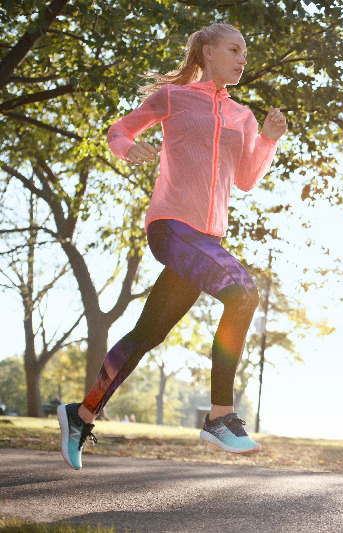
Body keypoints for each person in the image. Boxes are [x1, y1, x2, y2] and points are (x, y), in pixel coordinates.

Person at [57, 23, 288, 470]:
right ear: (207, 51)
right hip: (171, 227)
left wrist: (269, 140)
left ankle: (81, 413)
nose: (243, 58)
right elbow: (119, 131)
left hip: (207, 241)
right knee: (243, 293)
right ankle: (220, 416)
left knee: (149, 333)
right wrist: (130, 149)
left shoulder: (243, 115)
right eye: (234, 49)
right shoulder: (173, 97)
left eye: (246, 51)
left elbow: (244, 180)